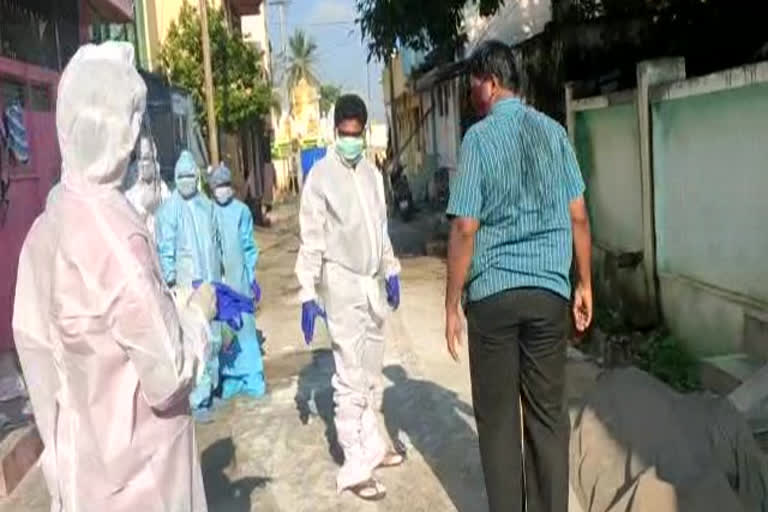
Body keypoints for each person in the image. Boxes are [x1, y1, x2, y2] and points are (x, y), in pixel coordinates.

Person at [12, 42, 216, 512]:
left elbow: (34, 345)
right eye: (137, 120)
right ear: (125, 133)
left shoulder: (49, 225)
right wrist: (196, 316)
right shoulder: (117, 237)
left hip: (84, 473)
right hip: (145, 477)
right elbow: (168, 373)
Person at [444, 40, 593, 512]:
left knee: (498, 422)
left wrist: (451, 303)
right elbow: (579, 216)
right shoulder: (554, 133)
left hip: (492, 299)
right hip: (549, 294)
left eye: (472, 86)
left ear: (490, 82)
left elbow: (466, 227)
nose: (472, 96)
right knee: (549, 418)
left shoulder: (478, 140)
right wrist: (584, 283)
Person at [295, 94, 404, 501]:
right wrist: (308, 291)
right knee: (350, 375)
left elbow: (381, 228)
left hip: (372, 281)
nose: (352, 141)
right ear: (335, 130)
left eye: (358, 134)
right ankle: (354, 464)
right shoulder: (321, 177)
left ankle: (374, 444)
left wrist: (390, 268)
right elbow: (311, 239)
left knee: (373, 367)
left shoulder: (373, 175)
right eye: (346, 134)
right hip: (341, 284)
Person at [156, 150, 224, 420]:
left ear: (196, 176)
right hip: (185, 284)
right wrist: (171, 278)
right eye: (181, 176)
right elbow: (165, 248)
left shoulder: (205, 205)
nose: (186, 181)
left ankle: (212, 388)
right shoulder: (169, 210)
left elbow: (215, 241)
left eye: (190, 176)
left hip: (209, 279)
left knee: (213, 335)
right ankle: (198, 399)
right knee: (195, 338)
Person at [208, 163, 267, 399]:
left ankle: (252, 375)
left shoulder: (241, 211)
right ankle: (230, 377)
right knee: (225, 332)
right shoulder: (207, 212)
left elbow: (249, 246)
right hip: (219, 284)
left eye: (225, 185)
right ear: (211, 189)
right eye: (217, 186)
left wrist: (251, 277)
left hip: (239, 280)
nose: (222, 190)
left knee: (244, 327)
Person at [124, 134, 169, 238]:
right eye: (141, 158)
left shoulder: (162, 187)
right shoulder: (130, 186)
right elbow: (129, 226)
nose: (144, 164)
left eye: (147, 158)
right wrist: (145, 210)